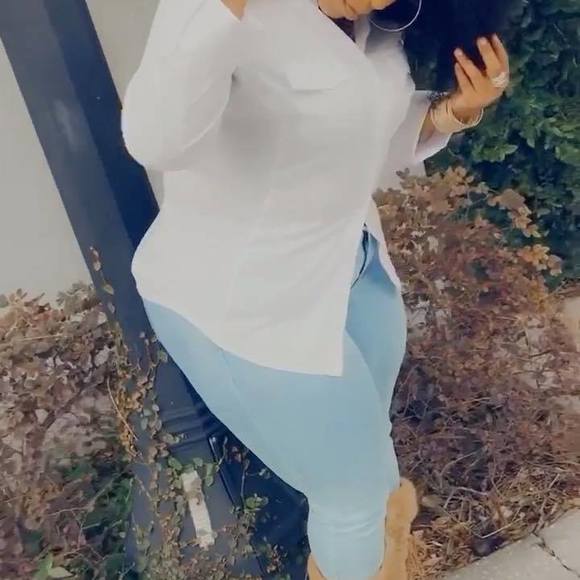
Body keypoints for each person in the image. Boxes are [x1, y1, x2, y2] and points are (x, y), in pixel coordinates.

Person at [122, 0, 511, 577]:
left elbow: (354, 135)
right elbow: (155, 141)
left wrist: (454, 112)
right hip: (246, 299)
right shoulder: (234, 13)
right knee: (353, 497)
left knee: (374, 479)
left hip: (353, 272)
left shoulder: (378, 24)